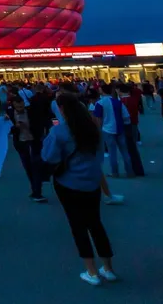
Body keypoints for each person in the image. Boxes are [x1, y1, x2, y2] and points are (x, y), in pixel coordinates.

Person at [42, 94, 117, 286]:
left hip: (68, 183)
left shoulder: (59, 132)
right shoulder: (93, 129)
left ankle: (91, 271)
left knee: (78, 226)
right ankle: (108, 268)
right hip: (91, 182)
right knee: (96, 223)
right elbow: (100, 154)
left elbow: (48, 156)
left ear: (61, 109)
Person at [6, 94, 46, 202]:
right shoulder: (10, 114)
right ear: (13, 106)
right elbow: (7, 129)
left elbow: (39, 123)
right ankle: (34, 189)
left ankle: (38, 192)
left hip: (33, 141)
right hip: (21, 142)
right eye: (18, 107)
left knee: (36, 166)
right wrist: (15, 127)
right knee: (28, 166)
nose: (20, 109)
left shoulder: (31, 112)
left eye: (22, 106)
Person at [91, 84, 134, 178]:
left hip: (107, 129)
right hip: (120, 129)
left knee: (112, 152)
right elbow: (126, 116)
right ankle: (130, 171)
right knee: (124, 151)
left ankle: (115, 172)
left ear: (102, 91)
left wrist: (99, 130)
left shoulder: (100, 103)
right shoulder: (118, 102)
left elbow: (98, 119)